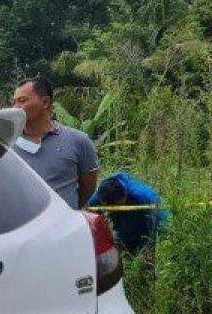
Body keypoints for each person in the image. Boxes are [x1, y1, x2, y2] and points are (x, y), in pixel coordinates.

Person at [11, 77, 99, 209]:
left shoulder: (79, 141)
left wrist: (67, 211)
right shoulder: (6, 143)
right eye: (14, 102)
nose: (15, 108)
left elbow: (88, 188)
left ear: (45, 102)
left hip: (63, 228)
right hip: (23, 227)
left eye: (22, 101)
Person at [88, 172, 168, 254]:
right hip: (124, 227)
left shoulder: (142, 198)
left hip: (153, 224)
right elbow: (89, 212)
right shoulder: (103, 194)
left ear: (124, 196)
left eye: (114, 206)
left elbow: (150, 232)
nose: (109, 209)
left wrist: (147, 250)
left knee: (145, 251)